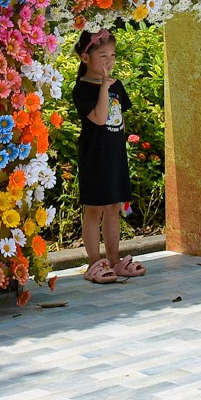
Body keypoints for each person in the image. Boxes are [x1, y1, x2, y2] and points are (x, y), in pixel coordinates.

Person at [72, 29, 143, 284]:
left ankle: (114, 260)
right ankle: (94, 263)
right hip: (94, 158)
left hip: (114, 157)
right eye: (103, 56)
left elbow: (119, 122)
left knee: (113, 208)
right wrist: (104, 87)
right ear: (85, 58)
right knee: (94, 210)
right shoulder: (82, 89)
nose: (109, 61)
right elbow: (101, 119)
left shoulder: (117, 85)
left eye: (112, 55)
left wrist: (120, 153)